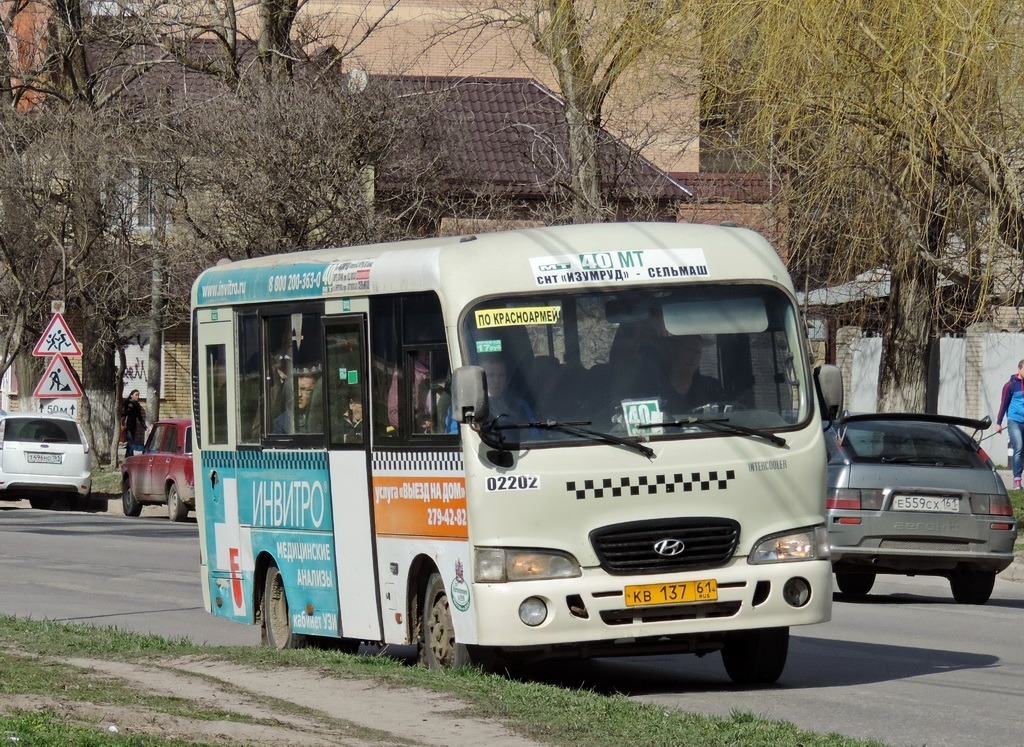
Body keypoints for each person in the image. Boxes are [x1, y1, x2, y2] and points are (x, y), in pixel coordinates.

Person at [661, 335, 724, 414]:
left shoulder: (712, 388)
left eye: (698, 352)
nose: (693, 356)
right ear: (673, 351)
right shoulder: (656, 388)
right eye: (689, 350)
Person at [480, 355, 534, 424]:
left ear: (506, 378)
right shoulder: (477, 407)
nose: (496, 380)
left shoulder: (520, 406)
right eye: (490, 375)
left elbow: (534, 430)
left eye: (501, 375)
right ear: (481, 378)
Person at [995, 358, 1024, 489]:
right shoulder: (1011, 384)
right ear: (1019, 369)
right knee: (1018, 447)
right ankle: (1017, 480)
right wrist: (998, 422)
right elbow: (1003, 404)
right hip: (1014, 421)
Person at [121, 389, 145, 458]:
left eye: (138, 395)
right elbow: (123, 414)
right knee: (130, 442)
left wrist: (145, 426)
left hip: (134, 425)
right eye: (136, 395)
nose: (137, 397)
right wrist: (129, 409)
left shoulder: (137, 405)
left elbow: (139, 416)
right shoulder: (128, 403)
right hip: (127, 425)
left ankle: (127, 457)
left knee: (130, 443)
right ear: (131, 395)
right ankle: (130, 457)